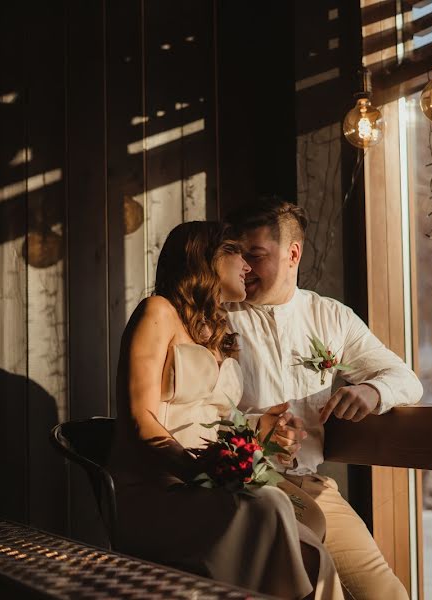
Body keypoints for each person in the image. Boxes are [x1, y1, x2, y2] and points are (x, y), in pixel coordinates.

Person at [109, 221, 344, 600]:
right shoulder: (157, 311)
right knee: (268, 507)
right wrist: (196, 468)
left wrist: (258, 429)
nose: (248, 266)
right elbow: (141, 420)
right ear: (204, 256)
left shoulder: (218, 332)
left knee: (311, 542)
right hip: (158, 488)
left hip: (209, 486)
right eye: (236, 252)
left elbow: (210, 419)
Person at [224, 197, 423, 600]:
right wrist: (251, 428)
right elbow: (191, 410)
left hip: (311, 488)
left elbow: (406, 379)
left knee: (388, 595)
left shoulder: (331, 317)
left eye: (256, 255)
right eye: (238, 254)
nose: (244, 267)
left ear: (293, 253)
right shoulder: (220, 316)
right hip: (238, 490)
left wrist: (372, 390)